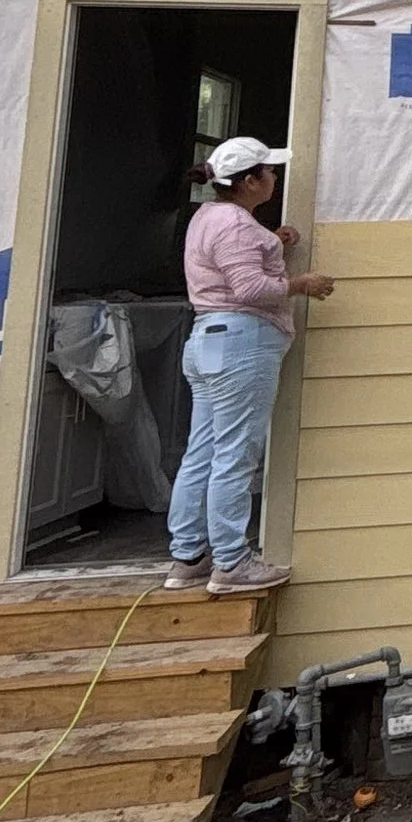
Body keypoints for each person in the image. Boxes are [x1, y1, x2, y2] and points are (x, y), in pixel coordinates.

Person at [165, 136, 334, 597]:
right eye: (268, 171)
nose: (274, 177)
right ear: (249, 181)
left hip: (208, 341)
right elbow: (248, 289)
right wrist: (302, 283)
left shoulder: (210, 217)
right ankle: (232, 563)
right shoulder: (237, 227)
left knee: (202, 450)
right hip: (242, 341)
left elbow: (230, 266)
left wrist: (272, 242)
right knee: (236, 453)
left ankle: (187, 557)